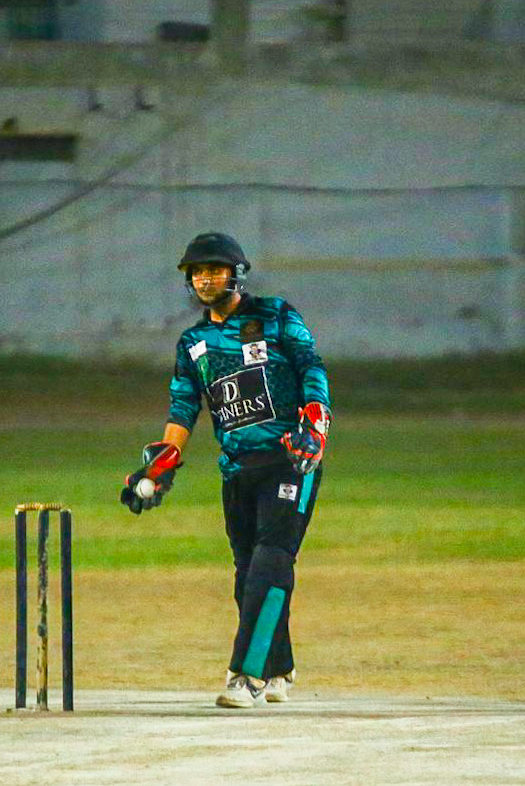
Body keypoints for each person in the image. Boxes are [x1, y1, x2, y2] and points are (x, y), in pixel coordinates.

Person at [120, 231, 332, 709]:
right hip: (237, 469)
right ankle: (279, 666)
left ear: (236, 274)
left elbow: (311, 367)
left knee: (272, 559)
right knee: (247, 573)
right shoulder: (193, 342)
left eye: (214, 270)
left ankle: (247, 673)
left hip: (291, 459)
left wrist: (316, 421)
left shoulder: (275, 316)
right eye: (197, 272)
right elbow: (183, 406)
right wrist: (161, 464)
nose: (205, 279)